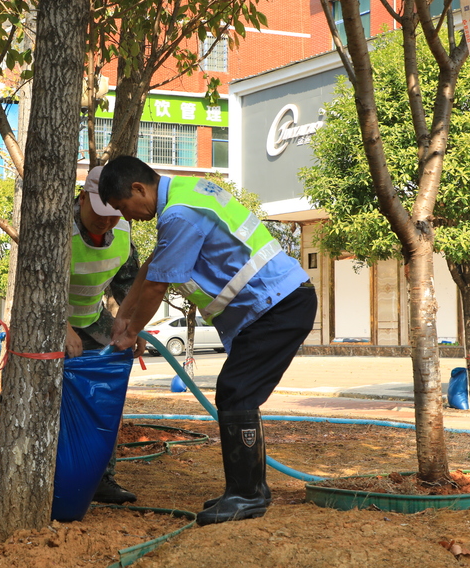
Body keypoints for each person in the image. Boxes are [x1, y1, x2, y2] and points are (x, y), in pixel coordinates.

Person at [99, 156, 317, 525]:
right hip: (272, 305)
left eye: (124, 207)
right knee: (238, 392)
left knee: (236, 392)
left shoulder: (179, 214)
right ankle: (251, 490)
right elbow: (151, 267)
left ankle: (246, 495)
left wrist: (130, 333)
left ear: (138, 188)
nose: (128, 217)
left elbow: (156, 284)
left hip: (277, 305)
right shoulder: (185, 193)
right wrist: (122, 318)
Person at [68, 165, 145, 505]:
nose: (106, 222)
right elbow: (36, 286)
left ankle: (102, 478)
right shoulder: (58, 230)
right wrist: (60, 326)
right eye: (99, 214)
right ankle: (57, 473)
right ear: (82, 197)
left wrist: (134, 325)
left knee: (104, 400)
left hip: (93, 321)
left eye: (113, 216)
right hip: (49, 321)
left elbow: (127, 283)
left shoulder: (124, 230)